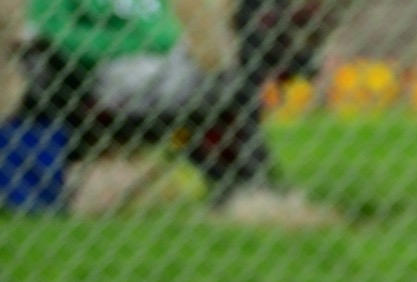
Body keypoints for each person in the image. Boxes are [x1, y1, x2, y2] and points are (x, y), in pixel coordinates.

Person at [15, 0, 329, 221]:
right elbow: (54, 33)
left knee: (236, 61)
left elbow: (166, 30)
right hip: (109, 77)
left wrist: (157, 43)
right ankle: (262, 60)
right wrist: (124, 46)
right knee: (235, 69)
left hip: (167, 64)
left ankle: (250, 59)